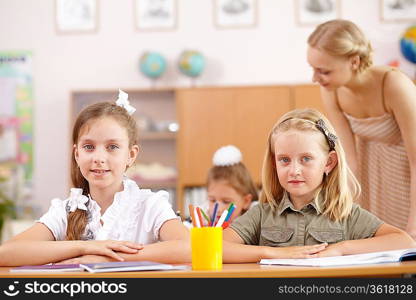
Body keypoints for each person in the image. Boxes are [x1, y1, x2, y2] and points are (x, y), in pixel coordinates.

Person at [0, 90, 190, 266]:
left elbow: (189, 247)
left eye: (112, 147)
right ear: (77, 154)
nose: (99, 158)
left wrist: (107, 257)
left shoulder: (150, 205)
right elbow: (7, 253)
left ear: (131, 155)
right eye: (89, 147)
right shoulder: (66, 210)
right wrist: (85, 248)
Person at [222, 108, 415, 263]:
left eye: (306, 159)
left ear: (329, 162)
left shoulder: (346, 215)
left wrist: (341, 249)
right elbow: (215, 247)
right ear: (274, 162)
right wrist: (270, 253)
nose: (294, 170)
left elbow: (404, 241)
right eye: (284, 160)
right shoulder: (262, 214)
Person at [307, 19, 416, 239]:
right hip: (370, 174)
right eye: (313, 69)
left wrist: (414, 224)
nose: (314, 79)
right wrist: (341, 213)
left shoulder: (394, 85)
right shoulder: (332, 90)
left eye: (323, 71)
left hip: (407, 178)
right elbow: (349, 160)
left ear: (354, 62)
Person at [183, 145, 258, 228]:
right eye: (212, 200)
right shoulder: (203, 214)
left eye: (226, 201)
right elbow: (184, 231)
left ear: (246, 201)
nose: (218, 209)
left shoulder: (255, 216)